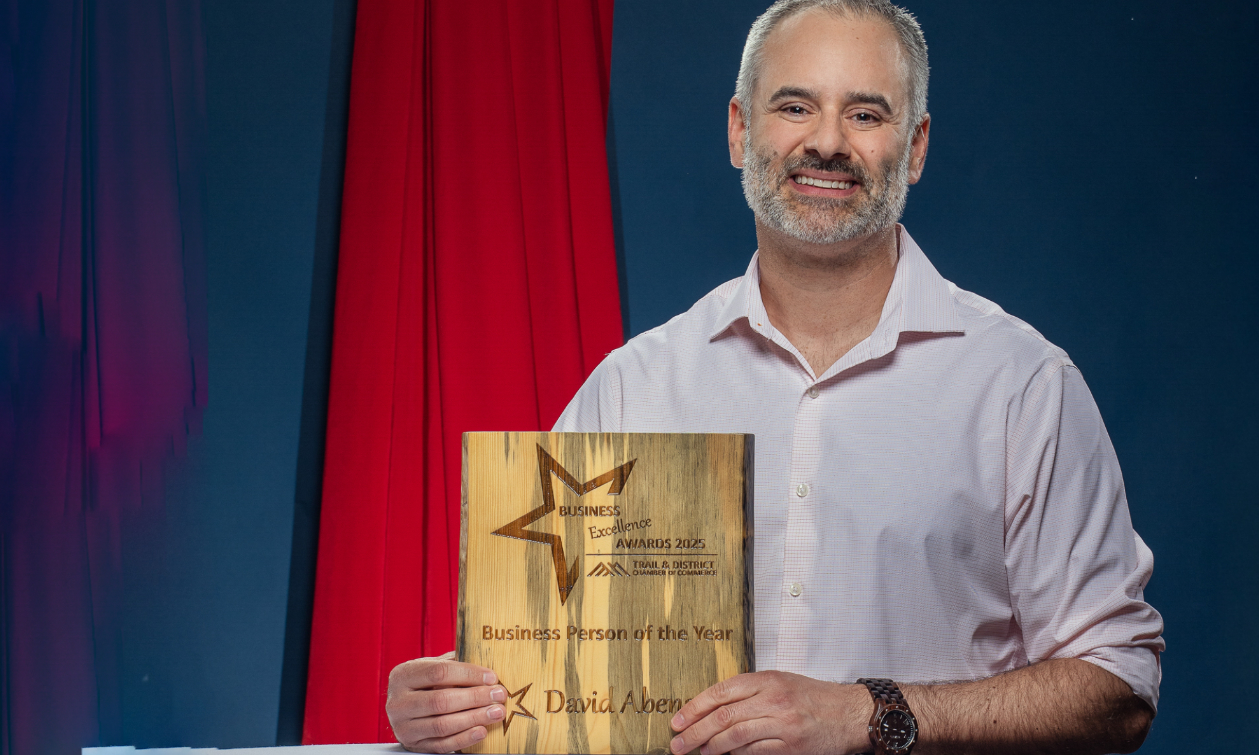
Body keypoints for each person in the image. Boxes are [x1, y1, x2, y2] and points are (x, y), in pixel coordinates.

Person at [385, 1, 1164, 753]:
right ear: (739, 129)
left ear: (916, 146)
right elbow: (543, 681)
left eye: (865, 114)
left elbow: (1118, 686)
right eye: (794, 105)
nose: (826, 142)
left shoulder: (1020, 385)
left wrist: (867, 712)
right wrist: (450, 706)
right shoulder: (632, 387)